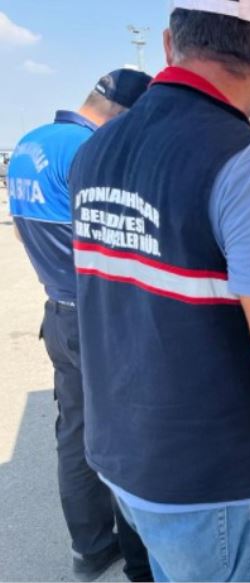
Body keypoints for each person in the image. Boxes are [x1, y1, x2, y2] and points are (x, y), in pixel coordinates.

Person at [68, 2, 250, 581]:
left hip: (127, 453)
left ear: (168, 44)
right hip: (212, 479)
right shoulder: (245, 160)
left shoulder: (95, 149)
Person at [7, 70, 153, 581]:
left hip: (58, 310)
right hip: (96, 316)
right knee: (128, 432)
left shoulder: (30, 143)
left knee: (74, 430)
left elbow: (27, 237)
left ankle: (89, 547)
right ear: (125, 116)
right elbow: (119, 241)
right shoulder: (89, 152)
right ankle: (142, 554)